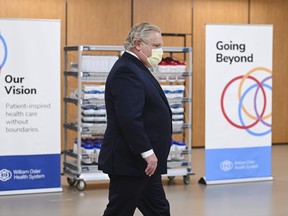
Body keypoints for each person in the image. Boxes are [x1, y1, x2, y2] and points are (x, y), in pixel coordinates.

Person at [98, 22, 172, 216]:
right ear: (138, 44)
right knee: (120, 210)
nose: (160, 51)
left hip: (144, 165)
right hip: (131, 161)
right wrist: (147, 153)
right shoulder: (126, 70)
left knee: (159, 210)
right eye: (156, 46)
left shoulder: (139, 68)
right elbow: (130, 117)